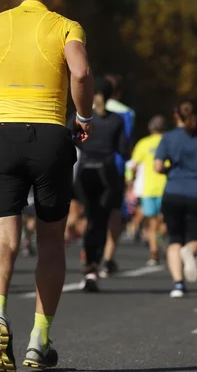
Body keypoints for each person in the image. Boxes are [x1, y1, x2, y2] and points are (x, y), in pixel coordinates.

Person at [0, 0, 94, 371]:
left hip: (2, 136)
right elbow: (82, 73)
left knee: (2, 242)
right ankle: (40, 339)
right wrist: (84, 117)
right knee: (51, 240)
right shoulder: (67, 26)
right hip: (50, 135)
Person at [154, 98, 197, 298]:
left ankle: (178, 284)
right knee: (196, 239)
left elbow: (157, 166)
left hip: (173, 192)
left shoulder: (168, 138)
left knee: (174, 238)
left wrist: (170, 170)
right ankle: (189, 252)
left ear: (176, 115)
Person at [71, 78, 128, 292]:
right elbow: (124, 150)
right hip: (107, 174)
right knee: (101, 221)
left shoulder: (82, 118)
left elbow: (70, 139)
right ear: (112, 95)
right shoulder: (116, 120)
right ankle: (94, 265)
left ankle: (88, 262)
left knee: (90, 217)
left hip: (85, 171)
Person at [99, 74, 134, 277]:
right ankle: (107, 259)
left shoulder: (87, 105)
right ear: (119, 92)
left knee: (92, 212)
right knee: (114, 214)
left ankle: (90, 254)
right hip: (115, 167)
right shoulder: (127, 113)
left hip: (88, 164)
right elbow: (125, 143)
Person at [126, 115, 167, 265]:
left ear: (150, 128)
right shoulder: (169, 141)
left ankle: (154, 252)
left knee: (151, 222)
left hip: (148, 189)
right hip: (167, 187)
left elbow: (132, 165)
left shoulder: (143, 144)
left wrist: (130, 181)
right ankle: (159, 242)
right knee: (165, 220)